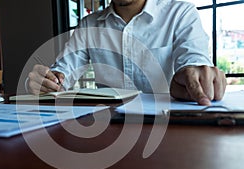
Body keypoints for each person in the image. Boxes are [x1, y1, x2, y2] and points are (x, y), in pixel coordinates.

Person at [27, 0, 226, 106]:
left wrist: (196, 74)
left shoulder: (181, 14)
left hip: (169, 127)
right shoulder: (89, 25)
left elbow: (194, 60)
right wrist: (46, 82)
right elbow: (62, 74)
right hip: (107, 130)